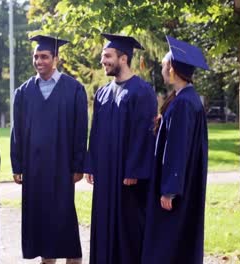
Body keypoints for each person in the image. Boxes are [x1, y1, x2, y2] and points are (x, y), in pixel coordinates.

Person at [10, 35, 88, 264]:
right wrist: (17, 165)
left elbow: (80, 130)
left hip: (62, 167)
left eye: (44, 56)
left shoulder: (74, 90)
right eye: (36, 56)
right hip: (34, 169)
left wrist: (78, 165)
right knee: (41, 221)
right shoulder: (23, 92)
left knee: (64, 219)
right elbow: (18, 132)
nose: (39, 61)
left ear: (56, 58)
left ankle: (73, 260)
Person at [84, 33, 157, 264]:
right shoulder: (103, 93)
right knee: (103, 222)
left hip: (127, 177)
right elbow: (94, 133)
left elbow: (143, 135)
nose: (102, 61)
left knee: (128, 227)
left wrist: (134, 170)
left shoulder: (141, 91)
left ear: (123, 58)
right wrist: (91, 164)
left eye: (107, 56)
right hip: (105, 174)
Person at [141, 35, 209, 264]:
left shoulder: (183, 103)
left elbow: (177, 148)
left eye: (163, 65)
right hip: (185, 182)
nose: (161, 69)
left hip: (176, 187)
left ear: (172, 69)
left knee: (168, 239)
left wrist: (169, 189)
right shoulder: (187, 98)